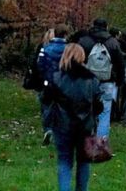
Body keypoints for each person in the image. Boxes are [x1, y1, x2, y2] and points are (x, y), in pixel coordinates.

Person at [46, 43, 102, 191]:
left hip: (62, 126)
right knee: (84, 162)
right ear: (82, 57)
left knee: (64, 161)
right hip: (85, 127)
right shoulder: (92, 79)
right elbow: (99, 105)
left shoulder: (57, 77)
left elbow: (47, 99)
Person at [77, 18, 125, 138]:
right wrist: (119, 80)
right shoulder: (113, 42)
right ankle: (101, 144)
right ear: (106, 27)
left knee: (86, 110)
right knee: (105, 112)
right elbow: (120, 63)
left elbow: (76, 60)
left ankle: (86, 139)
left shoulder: (84, 41)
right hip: (107, 81)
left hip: (86, 80)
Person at [37, 24, 69, 145]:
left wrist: (45, 76)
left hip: (49, 82)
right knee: (64, 109)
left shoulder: (46, 48)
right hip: (64, 83)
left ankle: (48, 129)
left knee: (46, 106)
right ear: (66, 34)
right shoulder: (68, 49)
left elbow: (40, 65)